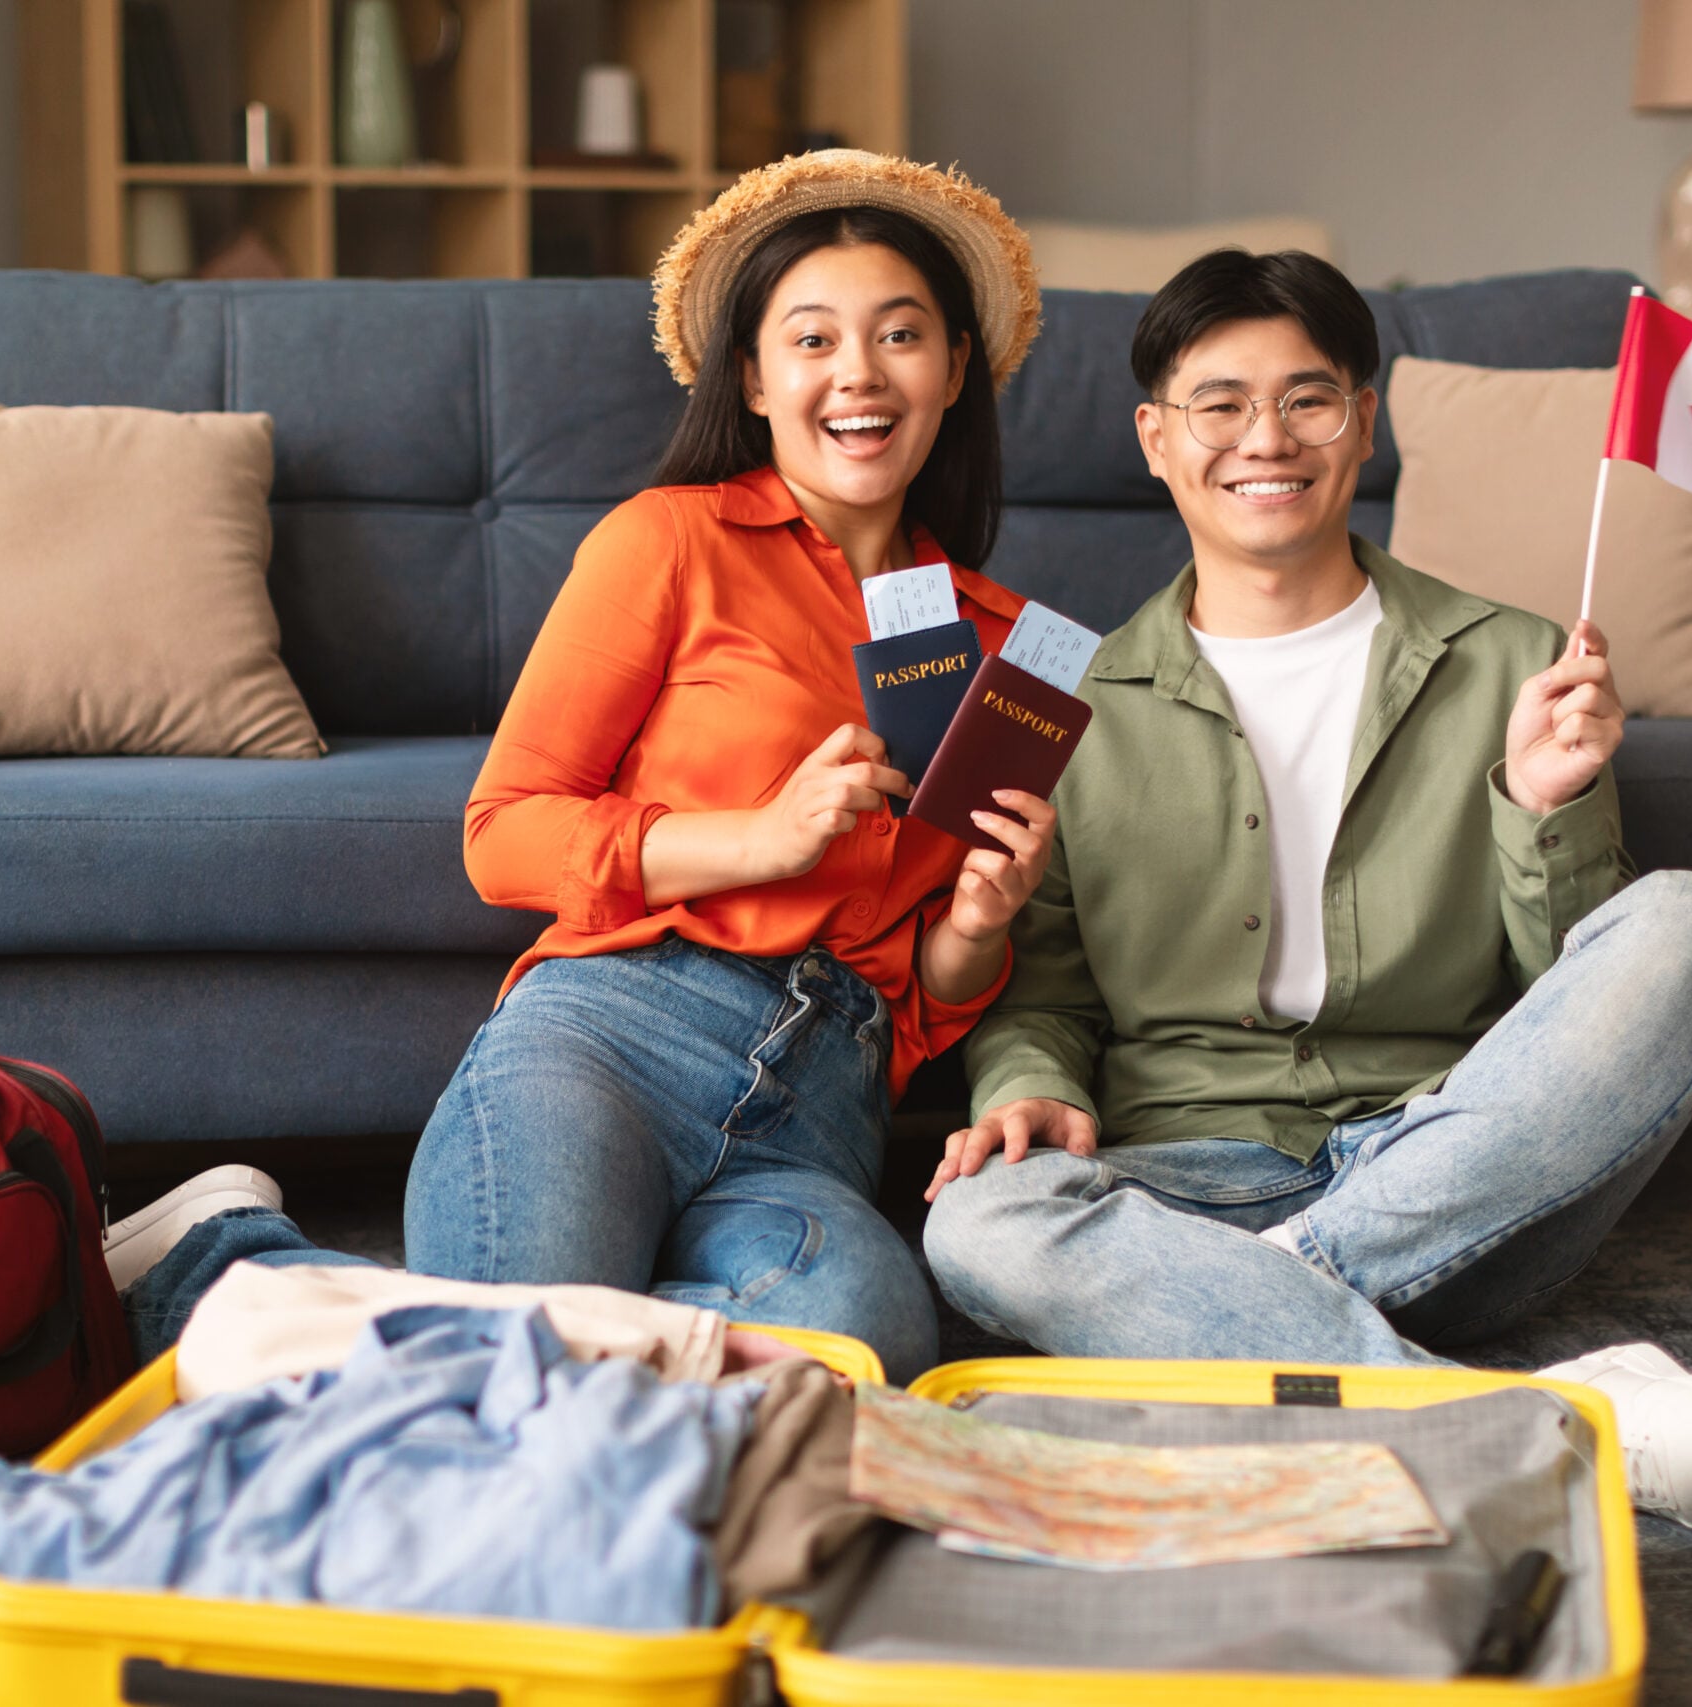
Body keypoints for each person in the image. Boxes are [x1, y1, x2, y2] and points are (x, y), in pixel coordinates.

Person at [103, 153, 1054, 1385]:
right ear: (755, 379)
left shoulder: (1000, 641)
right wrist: (752, 841)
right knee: (527, 1362)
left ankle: (305, 1293)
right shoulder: (669, 540)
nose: (858, 373)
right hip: (613, 1034)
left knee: (859, 1349)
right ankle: (210, 1256)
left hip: (820, 1110)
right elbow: (502, 831)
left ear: (954, 368)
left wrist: (981, 921)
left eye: (900, 335)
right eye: (811, 339)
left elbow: (931, 994)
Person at [917, 249, 1692, 1533]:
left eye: (1307, 400)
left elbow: (1569, 996)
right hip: (1182, 1176)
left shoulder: (1517, 660)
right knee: (979, 1222)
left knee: (1691, 921)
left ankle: (1237, 1319)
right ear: (1156, 439)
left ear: (1363, 424)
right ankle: (1524, 1424)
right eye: (1219, 404)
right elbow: (1040, 993)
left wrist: (1544, 807)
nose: (1266, 438)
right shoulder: (1067, 702)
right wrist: (1028, 1086)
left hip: (1461, 1171)